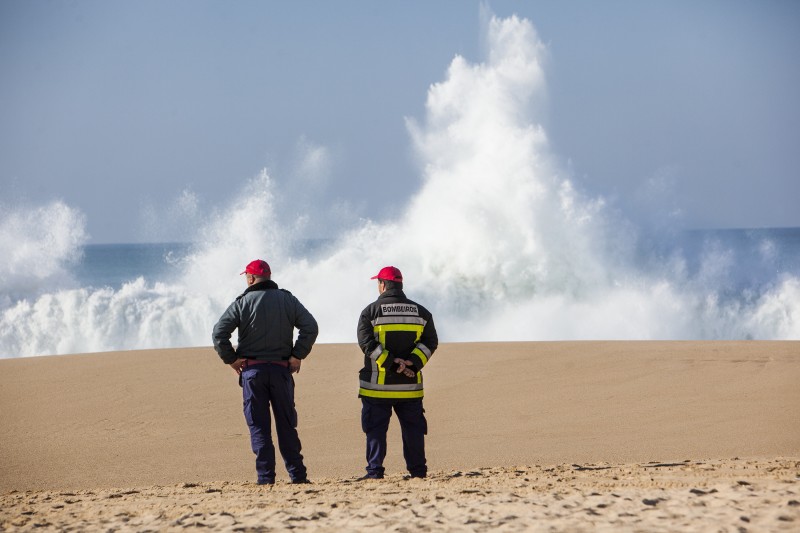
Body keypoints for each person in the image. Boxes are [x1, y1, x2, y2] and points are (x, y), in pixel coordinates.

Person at [212, 259, 318, 485]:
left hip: (253, 373)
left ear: (250, 278)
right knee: (287, 425)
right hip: (281, 371)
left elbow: (219, 334)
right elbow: (310, 327)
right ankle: (298, 476)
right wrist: (297, 355)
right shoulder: (287, 299)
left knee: (259, 427)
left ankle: (266, 479)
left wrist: (231, 360)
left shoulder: (242, 303)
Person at [356, 266, 438, 480]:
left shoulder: (370, 312)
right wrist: (411, 364)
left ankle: (375, 472)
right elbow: (430, 342)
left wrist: (393, 365)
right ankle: (418, 472)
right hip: (409, 388)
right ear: (400, 285)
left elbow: (367, 344)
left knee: (375, 431)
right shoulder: (421, 312)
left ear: (382, 285)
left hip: (377, 389)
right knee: (413, 431)